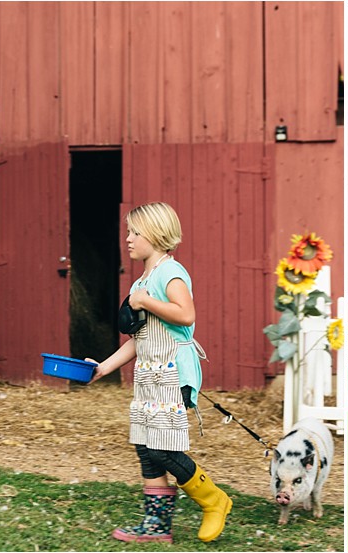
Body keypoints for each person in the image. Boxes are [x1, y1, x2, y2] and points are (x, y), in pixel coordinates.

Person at [85, 202, 231, 543]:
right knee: (146, 445)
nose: (128, 239)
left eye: (135, 233)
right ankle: (156, 526)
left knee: (164, 448)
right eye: (128, 232)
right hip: (150, 373)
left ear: (155, 234)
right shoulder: (143, 279)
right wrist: (103, 367)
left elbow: (186, 315)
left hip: (173, 373)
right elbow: (139, 338)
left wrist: (144, 301)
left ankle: (215, 501)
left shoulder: (171, 272)